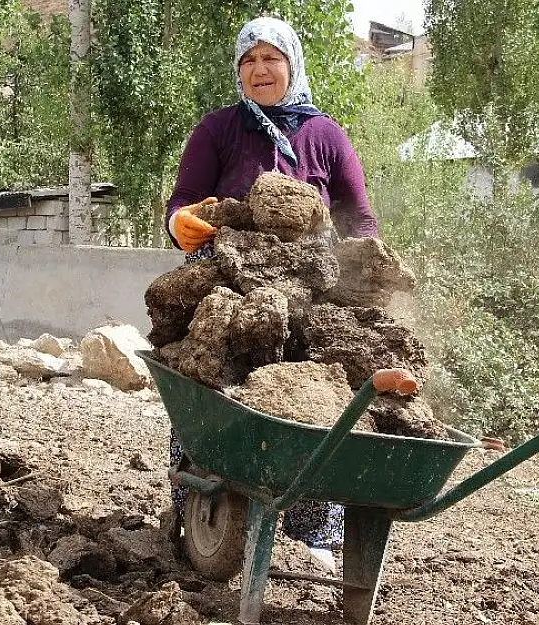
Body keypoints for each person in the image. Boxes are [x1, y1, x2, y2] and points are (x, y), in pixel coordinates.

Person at [163, 17, 380, 573]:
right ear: (239, 70)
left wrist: (370, 268)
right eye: (249, 60)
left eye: (271, 58)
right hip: (227, 286)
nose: (260, 70)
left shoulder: (325, 135)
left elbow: (359, 219)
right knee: (209, 387)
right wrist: (181, 225)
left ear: (292, 64)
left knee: (317, 404)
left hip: (308, 289)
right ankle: (199, 511)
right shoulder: (219, 129)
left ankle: (314, 534)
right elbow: (182, 202)